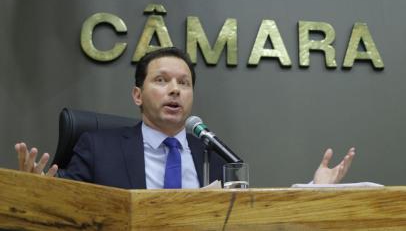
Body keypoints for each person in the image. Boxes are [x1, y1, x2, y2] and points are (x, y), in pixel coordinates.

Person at [15, 47, 355, 188]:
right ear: (138, 94)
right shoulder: (96, 146)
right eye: (161, 81)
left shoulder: (215, 156)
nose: (174, 90)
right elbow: (69, 206)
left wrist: (315, 190)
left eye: (184, 83)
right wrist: (37, 191)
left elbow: (251, 217)